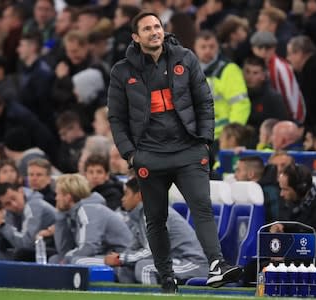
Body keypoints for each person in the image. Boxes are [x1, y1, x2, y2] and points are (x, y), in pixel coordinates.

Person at [108, 12, 243, 292]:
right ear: (136, 37)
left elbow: (204, 102)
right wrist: (131, 155)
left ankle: (217, 265)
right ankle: (167, 277)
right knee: (156, 219)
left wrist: (205, 141)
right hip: (150, 155)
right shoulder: (122, 71)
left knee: (202, 208)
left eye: (157, 26)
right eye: (147, 29)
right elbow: (117, 118)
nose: (154, 32)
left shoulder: (186, 58)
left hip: (188, 149)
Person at [105, 177, 209, 285]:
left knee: (145, 267)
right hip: (173, 260)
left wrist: (121, 258)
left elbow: (154, 251)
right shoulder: (139, 218)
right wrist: (121, 258)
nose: (122, 199)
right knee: (125, 269)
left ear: (140, 195)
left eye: (126, 194)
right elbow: (133, 248)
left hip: (193, 263)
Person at [51, 174, 132, 265]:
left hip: (120, 257)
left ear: (68, 196)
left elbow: (88, 248)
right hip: (104, 255)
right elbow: (64, 251)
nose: (56, 198)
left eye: (58, 194)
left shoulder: (89, 209)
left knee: (77, 261)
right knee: (55, 259)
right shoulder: (73, 214)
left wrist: (66, 258)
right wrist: (60, 217)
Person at [273, 164, 316, 270]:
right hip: (295, 260)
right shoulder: (294, 201)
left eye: (285, 189)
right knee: (253, 266)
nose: (281, 194)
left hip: (313, 269)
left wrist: (286, 258)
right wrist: (282, 226)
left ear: (300, 188)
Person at [193, 30, 251, 141]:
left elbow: (240, 104)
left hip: (221, 137)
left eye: (212, 46)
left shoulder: (229, 70)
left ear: (218, 47)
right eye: (203, 47)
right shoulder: (188, 71)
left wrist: (232, 135)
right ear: (195, 48)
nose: (207, 50)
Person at [0, 183, 56, 261]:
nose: (14, 205)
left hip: (51, 251)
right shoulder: (9, 213)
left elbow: (26, 244)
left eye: (14, 198)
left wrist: (2, 225)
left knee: (20, 253)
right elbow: (1, 247)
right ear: (3, 206)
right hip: (32, 252)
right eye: (7, 204)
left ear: (21, 191)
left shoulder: (34, 205)